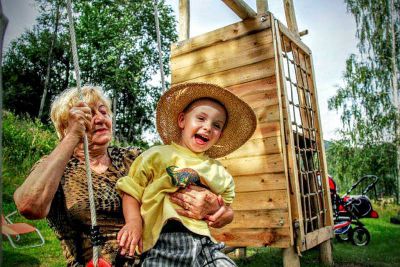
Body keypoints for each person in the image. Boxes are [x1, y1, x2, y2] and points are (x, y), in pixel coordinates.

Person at [13, 85, 232, 266]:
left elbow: (182, 181)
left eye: (103, 111)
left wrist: (220, 210)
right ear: (66, 124)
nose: (99, 118)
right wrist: (71, 137)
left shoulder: (133, 157)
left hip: (160, 254)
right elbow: (30, 206)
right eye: (89, 114)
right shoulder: (57, 166)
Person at [116, 82, 257, 266]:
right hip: (164, 241)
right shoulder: (157, 155)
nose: (207, 127)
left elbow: (225, 205)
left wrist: (225, 214)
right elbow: (131, 190)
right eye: (201, 118)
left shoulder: (217, 170)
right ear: (182, 120)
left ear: (220, 135)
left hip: (206, 245)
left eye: (216, 125)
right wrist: (133, 221)